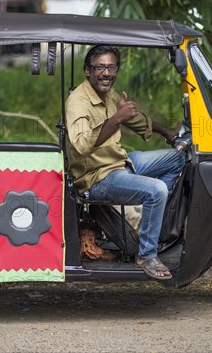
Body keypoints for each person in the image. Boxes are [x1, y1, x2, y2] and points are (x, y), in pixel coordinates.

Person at [66, 45, 184, 280]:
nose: (106, 73)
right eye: (99, 67)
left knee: (178, 160)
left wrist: (166, 132)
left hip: (120, 162)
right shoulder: (78, 101)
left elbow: (132, 118)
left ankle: (150, 229)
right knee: (156, 190)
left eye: (111, 67)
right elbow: (81, 145)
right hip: (97, 177)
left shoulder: (106, 94)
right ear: (87, 71)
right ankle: (147, 255)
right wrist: (116, 119)